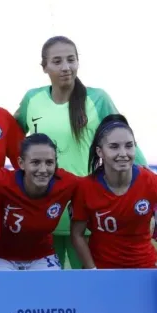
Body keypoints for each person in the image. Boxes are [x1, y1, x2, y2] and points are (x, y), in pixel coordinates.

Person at [13, 36, 148, 269]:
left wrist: (143, 176)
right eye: (57, 61)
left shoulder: (98, 98)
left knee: (86, 283)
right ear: (44, 67)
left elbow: (124, 140)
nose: (66, 67)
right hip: (44, 208)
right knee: (50, 288)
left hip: (86, 207)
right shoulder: (32, 99)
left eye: (71, 60)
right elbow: (12, 139)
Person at [71, 115, 157, 269]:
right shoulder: (85, 187)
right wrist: (92, 270)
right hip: (101, 268)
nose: (123, 153)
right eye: (114, 146)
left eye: (129, 146)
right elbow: (77, 234)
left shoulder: (150, 181)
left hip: (145, 268)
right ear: (100, 151)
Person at [0, 134, 79, 270]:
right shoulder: (1, 180)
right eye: (35, 162)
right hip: (0, 257)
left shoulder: (67, 183)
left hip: (42, 256)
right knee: (2, 290)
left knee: (53, 289)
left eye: (49, 162)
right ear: (21, 163)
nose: (43, 169)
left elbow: (92, 186)